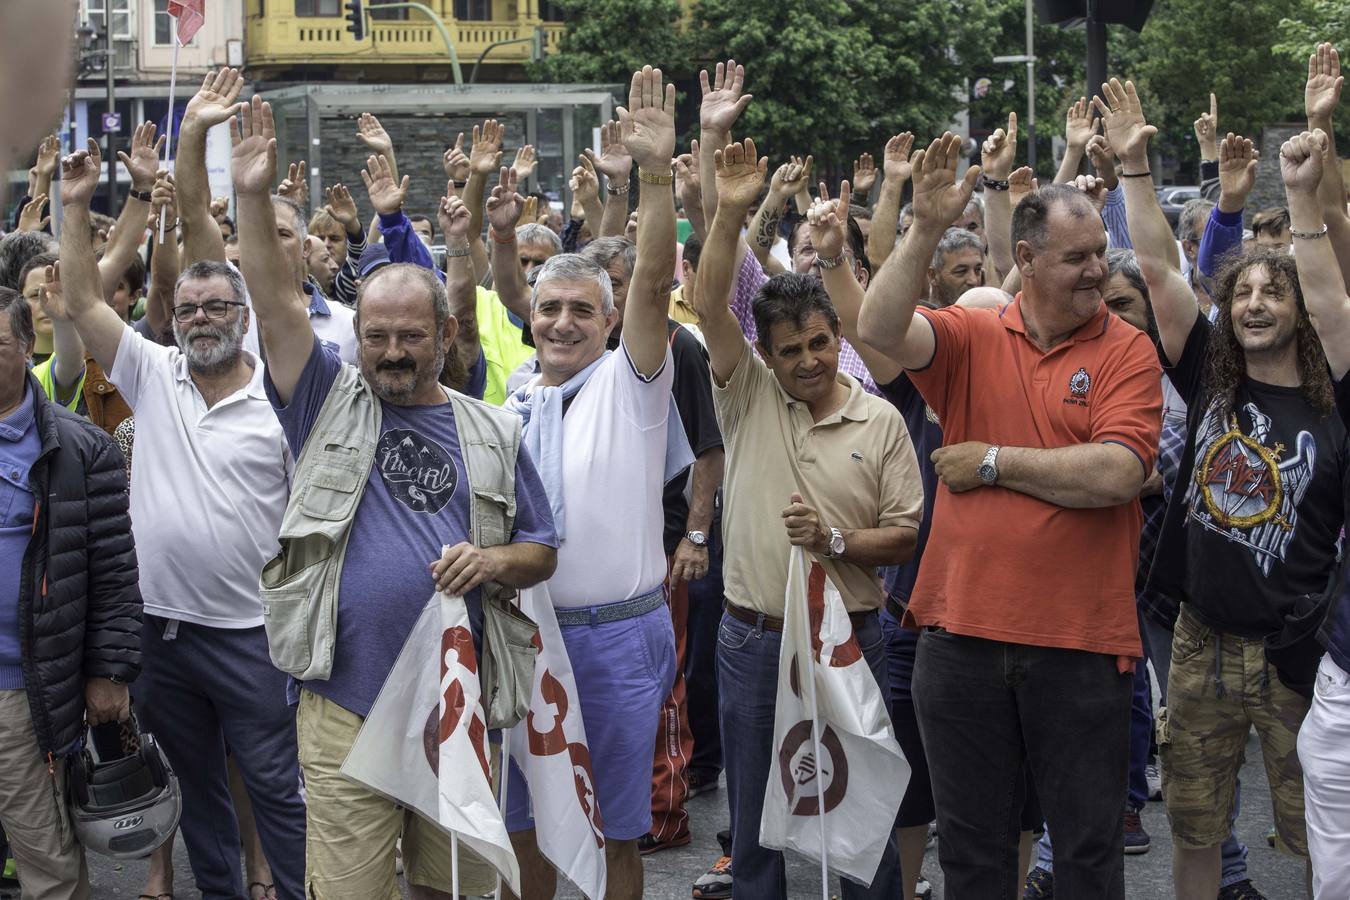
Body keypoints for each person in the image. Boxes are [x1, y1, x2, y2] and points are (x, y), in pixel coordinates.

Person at [229, 93, 558, 899]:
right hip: (342, 706)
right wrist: (248, 195)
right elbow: (273, 304)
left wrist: (490, 559)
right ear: (357, 337)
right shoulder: (321, 399)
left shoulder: (491, 430)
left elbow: (543, 551)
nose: (393, 352)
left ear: (446, 336)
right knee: (349, 891)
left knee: (455, 888)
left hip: (458, 698)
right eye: (376, 337)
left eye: (412, 336)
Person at [857, 130, 1162, 898]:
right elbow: (878, 331)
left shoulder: (1128, 350)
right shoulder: (970, 333)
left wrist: (993, 462)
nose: (1098, 269)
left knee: (1089, 856)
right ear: (1025, 261)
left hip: (1081, 645)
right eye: (1077, 257)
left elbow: (1118, 473)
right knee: (973, 854)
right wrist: (923, 226)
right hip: (959, 641)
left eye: (1099, 251)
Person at [1108, 74, 1350, 900]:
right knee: (1197, 828)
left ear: (1299, 312)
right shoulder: (1210, 376)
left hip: (1297, 647)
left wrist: (1306, 192)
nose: (1253, 303)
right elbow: (1153, 268)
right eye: (1242, 290)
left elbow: (1329, 283)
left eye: (1271, 292)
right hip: (1203, 641)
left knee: (1320, 830)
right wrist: (1135, 171)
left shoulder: (1334, 392)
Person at [56, 140, 307, 900]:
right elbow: (78, 302)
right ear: (174, 316)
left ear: (242, 316)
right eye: (188, 308)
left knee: (277, 793)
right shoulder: (151, 370)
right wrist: (74, 207)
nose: (201, 319)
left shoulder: (283, 397)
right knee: (195, 796)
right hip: (161, 636)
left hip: (255, 636)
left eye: (217, 307)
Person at [693, 133, 924, 896]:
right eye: (788, 350)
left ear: (837, 336)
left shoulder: (881, 419)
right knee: (759, 816)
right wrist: (729, 213)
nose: (806, 362)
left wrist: (833, 541)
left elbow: (905, 534)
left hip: (853, 636)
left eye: (819, 344)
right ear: (766, 351)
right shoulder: (746, 391)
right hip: (755, 637)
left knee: (864, 811)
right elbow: (707, 300)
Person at [498, 66, 684, 900]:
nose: (565, 322)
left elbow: (652, 276)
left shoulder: (633, 380)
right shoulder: (511, 399)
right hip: (526, 634)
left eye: (583, 309)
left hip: (613, 637)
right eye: (550, 309)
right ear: (530, 318)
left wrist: (653, 175)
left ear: (610, 321)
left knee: (614, 829)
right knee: (524, 823)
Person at [0, 287, 141, 900]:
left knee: (48, 864)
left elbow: (113, 573)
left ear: (28, 347)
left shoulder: (81, 448)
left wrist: (109, 672)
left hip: (22, 691)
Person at [927, 227, 986, 307]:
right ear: (933, 276)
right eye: (961, 271)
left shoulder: (994, 314)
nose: (973, 280)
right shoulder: (913, 317)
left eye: (977, 270)